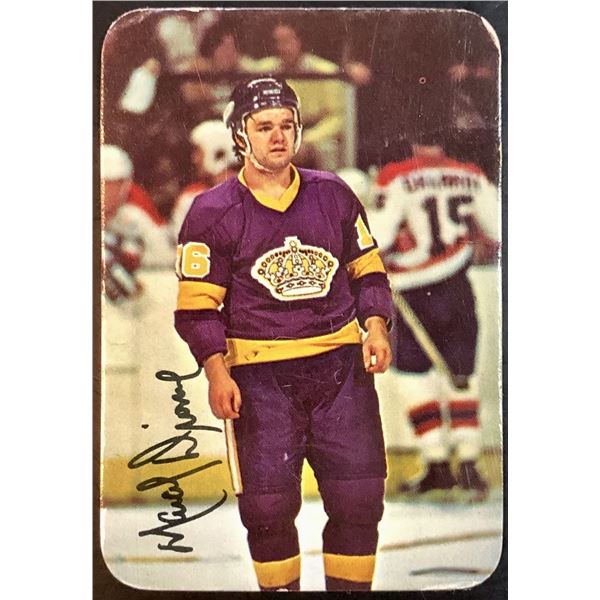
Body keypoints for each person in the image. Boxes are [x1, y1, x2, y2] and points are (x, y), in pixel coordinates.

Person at [173, 77, 393, 591]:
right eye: (264, 126)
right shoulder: (212, 211)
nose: (278, 136)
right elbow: (196, 310)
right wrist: (216, 372)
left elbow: (369, 273)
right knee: (268, 512)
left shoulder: (332, 193)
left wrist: (376, 325)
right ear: (240, 134)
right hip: (261, 378)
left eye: (287, 125)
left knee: (359, 502)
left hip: (339, 371)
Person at [366, 133, 499, 502]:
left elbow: (378, 237)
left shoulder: (396, 176)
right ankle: (469, 464)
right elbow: (498, 229)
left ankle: (437, 463)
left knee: (413, 376)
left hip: (411, 289)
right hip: (457, 286)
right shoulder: (470, 174)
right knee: (462, 374)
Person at [101, 144, 174, 302]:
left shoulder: (138, 210)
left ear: (125, 184)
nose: (108, 192)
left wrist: (132, 257)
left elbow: (167, 257)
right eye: (103, 183)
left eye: (113, 184)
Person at [170, 119, 238, 236]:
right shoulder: (191, 197)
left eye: (198, 152)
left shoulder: (253, 192)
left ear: (216, 152)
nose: (194, 159)